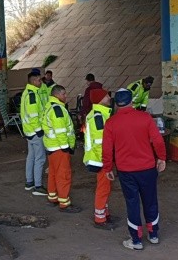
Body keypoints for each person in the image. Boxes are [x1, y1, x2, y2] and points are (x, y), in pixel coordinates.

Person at [102, 88, 167, 250]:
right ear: (132, 101)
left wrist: (108, 167)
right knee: (150, 200)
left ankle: (136, 240)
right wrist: (162, 158)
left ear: (116, 104)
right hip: (147, 168)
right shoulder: (145, 118)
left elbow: (107, 149)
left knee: (132, 203)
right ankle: (153, 234)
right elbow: (158, 141)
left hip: (126, 171)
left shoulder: (111, 123)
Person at [42, 85, 80, 212]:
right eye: (63, 94)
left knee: (53, 173)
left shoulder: (50, 107)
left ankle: (52, 197)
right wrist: (66, 147)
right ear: (57, 95)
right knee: (63, 175)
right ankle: (64, 203)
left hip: (52, 147)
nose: (65, 96)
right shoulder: (58, 110)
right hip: (60, 148)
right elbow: (61, 131)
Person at [83, 88, 116, 229]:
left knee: (105, 187)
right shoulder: (98, 117)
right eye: (106, 95)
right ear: (100, 99)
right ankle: (100, 218)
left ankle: (104, 213)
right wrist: (108, 160)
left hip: (100, 158)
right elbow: (100, 143)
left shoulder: (98, 115)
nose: (109, 97)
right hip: (101, 159)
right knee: (103, 188)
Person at [20, 72, 48, 196]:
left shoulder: (27, 93)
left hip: (28, 131)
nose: (41, 82)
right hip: (35, 132)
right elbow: (33, 116)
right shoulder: (32, 95)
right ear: (34, 81)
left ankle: (29, 182)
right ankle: (38, 186)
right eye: (39, 80)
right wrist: (39, 130)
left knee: (31, 157)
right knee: (40, 159)